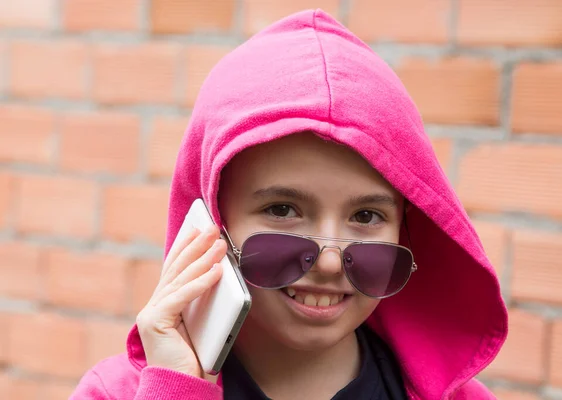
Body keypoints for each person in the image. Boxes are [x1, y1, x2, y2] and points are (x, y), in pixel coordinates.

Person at [70, 9, 508, 400]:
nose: (332, 262)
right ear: (211, 222)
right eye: (283, 209)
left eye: (367, 216)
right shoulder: (117, 394)